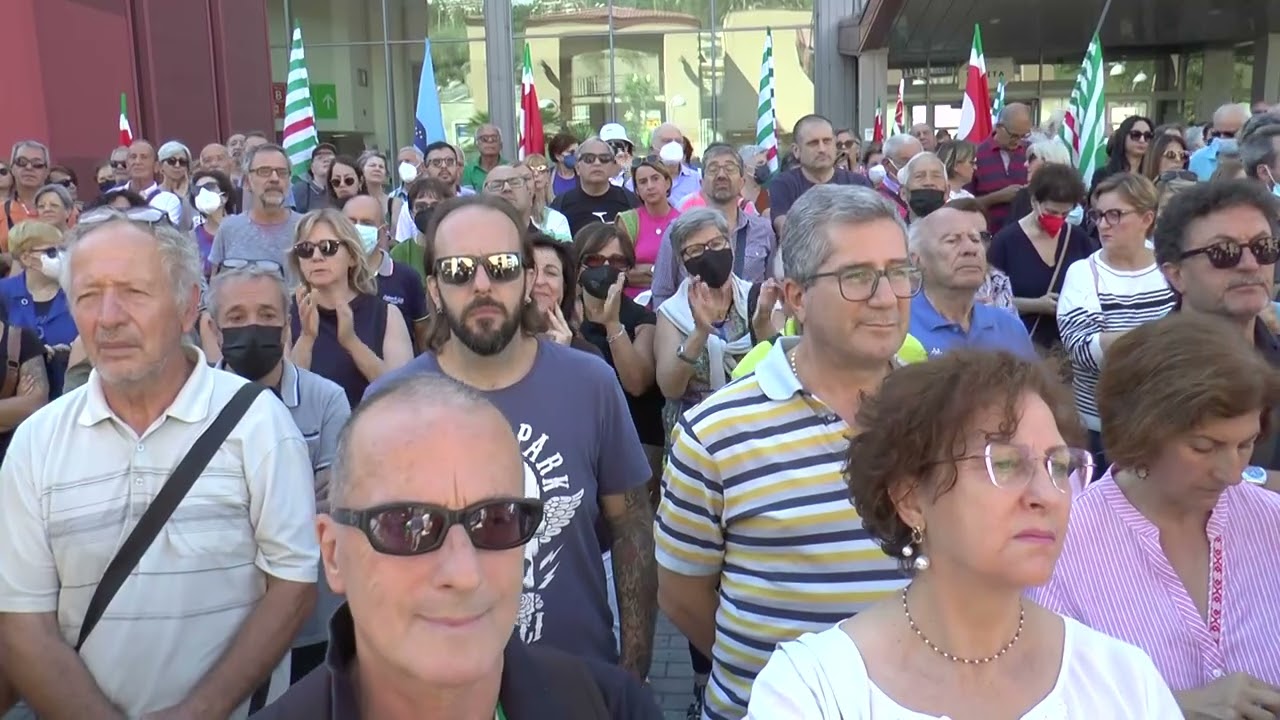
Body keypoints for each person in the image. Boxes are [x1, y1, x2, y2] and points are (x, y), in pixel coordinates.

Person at [0, 210, 319, 719]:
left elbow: (293, 587)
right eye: (87, 295)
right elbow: (23, 622)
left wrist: (200, 711)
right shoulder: (36, 443)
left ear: (189, 306)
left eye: (133, 292)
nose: (108, 317)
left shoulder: (258, 424)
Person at [748, 350, 1181, 718]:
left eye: (1059, 466)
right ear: (911, 499)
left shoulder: (1123, 679)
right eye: (1007, 464)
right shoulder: (814, 692)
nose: (1047, 495)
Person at [254, 373, 663, 719]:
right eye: (407, 525)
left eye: (497, 520)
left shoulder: (612, 709)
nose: (464, 573)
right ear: (333, 553)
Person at [655, 186, 920, 720]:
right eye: (857, 277)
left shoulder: (945, 418)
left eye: (898, 271)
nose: (887, 296)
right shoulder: (715, 432)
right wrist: (782, 677)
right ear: (797, 298)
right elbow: (682, 596)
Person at [367, 194, 658, 679]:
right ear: (435, 288)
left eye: (501, 266)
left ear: (526, 279)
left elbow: (631, 530)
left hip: (577, 682)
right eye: (459, 270)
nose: (482, 285)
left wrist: (631, 679)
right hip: (436, 686)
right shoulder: (389, 404)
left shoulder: (590, 384)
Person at [1029, 314, 1280, 714]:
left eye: (1245, 444)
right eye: (1203, 447)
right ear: (1140, 433)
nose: (1231, 473)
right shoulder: (1062, 550)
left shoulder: (1271, 523)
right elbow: (1046, 705)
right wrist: (1172, 707)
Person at [206, 261, 352, 683]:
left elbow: (335, 503)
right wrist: (297, 495)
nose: (253, 326)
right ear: (214, 331)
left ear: (287, 325)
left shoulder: (325, 400)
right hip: (219, 623)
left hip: (310, 623)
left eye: (267, 316)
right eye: (236, 318)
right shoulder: (190, 407)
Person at [1154, 180, 1280, 477]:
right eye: (1224, 251)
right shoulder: (1143, 370)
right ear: (1176, 275)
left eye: (1264, 248)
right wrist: (1262, 484)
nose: (1250, 265)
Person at [1058, 173, 1176, 470]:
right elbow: (1082, 350)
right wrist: (1164, 340)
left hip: (1170, 421)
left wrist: (1115, 339)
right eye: (1098, 215)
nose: (1103, 224)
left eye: (1115, 214)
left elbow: (1196, 340)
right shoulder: (1084, 273)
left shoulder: (1172, 268)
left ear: (1147, 218)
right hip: (1102, 427)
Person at [653, 208, 774, 439]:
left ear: (730, 244)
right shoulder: (672, 313)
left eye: (716, 244)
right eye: (696, 250)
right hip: (696, 435)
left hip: (754, 431)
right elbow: (670, 388)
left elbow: (780, 367)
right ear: (681, 260)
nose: (708, 254)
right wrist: (699, 333)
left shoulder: (757, 298)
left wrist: (763, 323)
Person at [289, 208, 414, 409]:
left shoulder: (386, 314)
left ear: (352, 256)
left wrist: (351, 342)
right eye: (306, 249)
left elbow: (403, 395)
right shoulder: (288, 313)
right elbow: (286, 397)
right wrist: (306, 339)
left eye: (328, 247)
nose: (316, 257)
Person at [649, 145, 778, 309]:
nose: (721, 175)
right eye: (713, 169)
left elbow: (773, 288)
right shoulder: (678, 231)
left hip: (750, 328)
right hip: (691, 329)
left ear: (742, 182)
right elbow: (662, 293)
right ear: (701, 183)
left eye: (730, 168)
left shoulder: (764, 230)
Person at [988, 163, 1095, 350]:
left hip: (1069, 348)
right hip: (1021, 346)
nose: (1058, 219)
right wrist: (1036, 305)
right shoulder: (1005, 242)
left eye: (1065, 214)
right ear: (1034, 202)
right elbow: (989, 300)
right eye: (1052, 212)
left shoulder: (1078, 239)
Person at [908, 205, 1035, 358]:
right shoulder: (899, 327)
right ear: (918, 260)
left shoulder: (1009, 326)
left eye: (975, 239)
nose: (970, 249)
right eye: (952, 241)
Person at [208, 143, 303, 285]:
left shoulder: (306, 229)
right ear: (247, 182)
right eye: (264, 171)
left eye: (282, 172)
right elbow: (215, 288)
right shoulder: (229, 229)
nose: (274, 178)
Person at [342, 194, 429, 349]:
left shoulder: (407, 277)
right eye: (351, 222)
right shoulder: (333, 278)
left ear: (383, 230)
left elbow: (423, 339)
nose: (357, 228)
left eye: (367, 223)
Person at [0, 220, 76, 396]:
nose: (60, 256)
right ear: (26, 258)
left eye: (62, 250)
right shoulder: (3, 293)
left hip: (69, 393)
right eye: (51, 251)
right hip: (19, 399)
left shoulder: (76, 290)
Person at [769, 115, 872, 235]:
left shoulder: (858, 184)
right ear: (796, 150)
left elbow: (871, 228)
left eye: (827, 141)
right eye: (813, 143)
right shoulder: (784, 184)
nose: (822, 149)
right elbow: (786, 231)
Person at [550, 137, 640, 237]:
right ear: (577, 167)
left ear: (611, 166)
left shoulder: (630, 202)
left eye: (604, 159)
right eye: (589, 159)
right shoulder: (560, 205)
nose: (597, 163)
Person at [615, 157, 678, 300]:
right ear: (636, 190)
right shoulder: (627, 220)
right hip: (633, 305)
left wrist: (645, 271)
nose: (650, 186)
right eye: (643, 182)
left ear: (667, 182)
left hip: (672, 305)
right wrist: (660, 272)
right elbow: (619, 272)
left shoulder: (682, 221)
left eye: (655, 179)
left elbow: (682, 275)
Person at [970, 103, 1032, 233]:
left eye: (1024, 135)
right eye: (1014, 135)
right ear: (998, 127)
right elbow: (963, 204)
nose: (1018, 141)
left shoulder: (1031, 153)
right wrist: (996, 197)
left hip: (1026, 236)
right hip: (987, 236)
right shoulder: (976, 155)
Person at [389, 175, 455, 280]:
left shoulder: (458, 249)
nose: (428, 210)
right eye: (420, 207)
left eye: (435, 206)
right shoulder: (399, 253)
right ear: (411, 213)